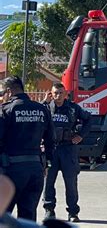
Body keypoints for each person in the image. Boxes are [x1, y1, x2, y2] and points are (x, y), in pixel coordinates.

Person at [0, 76, 55, 222]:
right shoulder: (41, 110)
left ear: (9, 91)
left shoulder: (6, 110)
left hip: (11, 170)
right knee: (28, 217)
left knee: (4, 216)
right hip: (35, 169)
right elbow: (50, 139)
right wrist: (47, 163)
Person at [42, 82, 91, 222]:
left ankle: (73, 212)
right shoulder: (45, 108)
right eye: (55, 93)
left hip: (68, 149)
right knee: (48, 182)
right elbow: (36, 115)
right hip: (51, 149)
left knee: (71, 183)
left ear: (65, 94)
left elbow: (88, 120)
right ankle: (49, 211)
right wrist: (44, 101)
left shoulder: (73, 108)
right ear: (51, 93)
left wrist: (80, 135)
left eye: (60, 93)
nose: (58, 96)